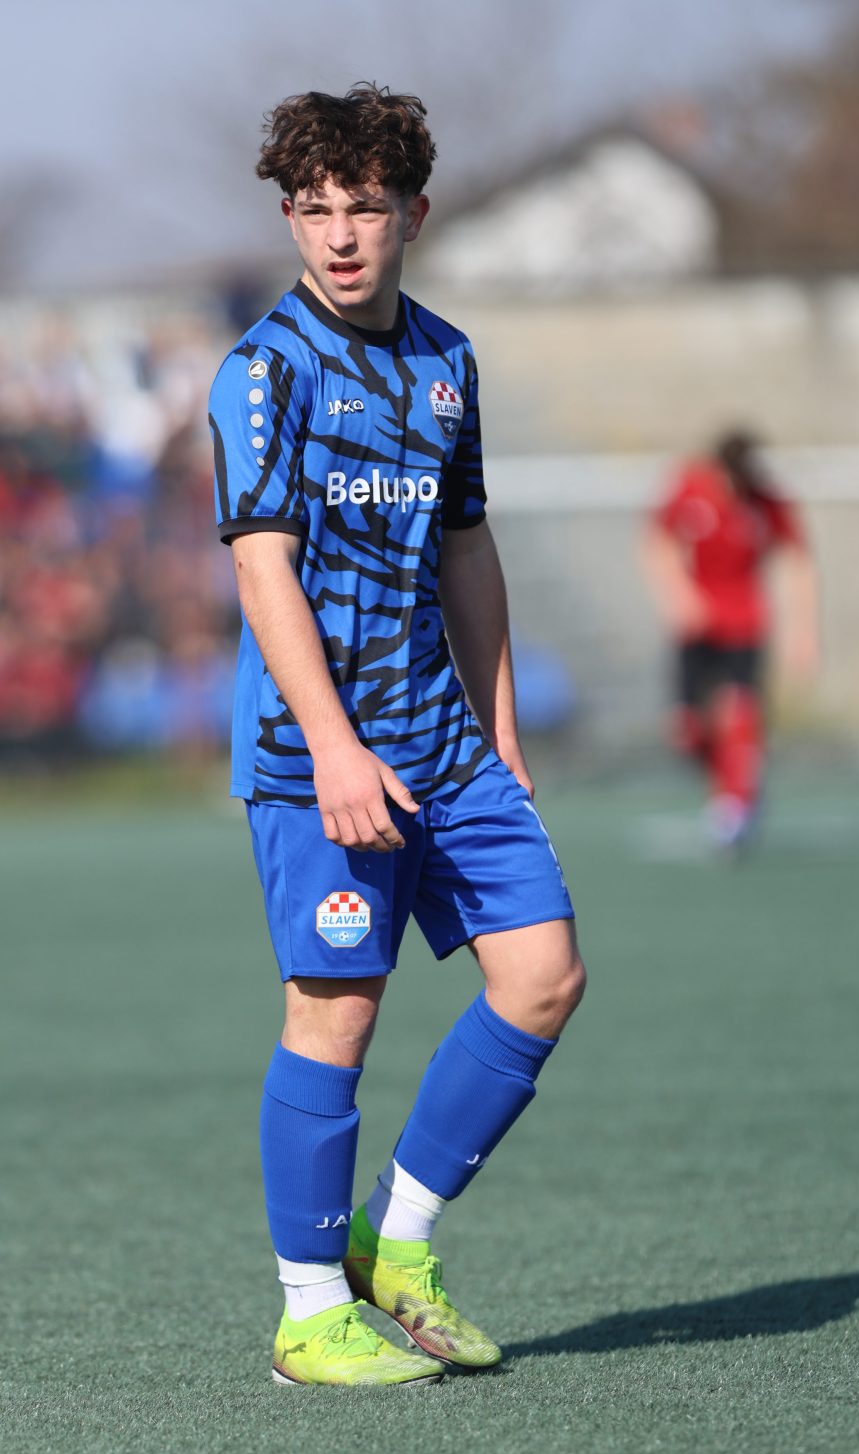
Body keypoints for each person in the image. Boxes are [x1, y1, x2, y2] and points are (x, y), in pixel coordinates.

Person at [208, 85, 586, 1388]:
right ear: (290, 220)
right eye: (314, 210)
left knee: (543, 975)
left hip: (445, 742)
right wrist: (333, 748)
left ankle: (397, 1238)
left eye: (364, 207)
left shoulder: (447, 363)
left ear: (415, 212)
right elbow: (262, 568)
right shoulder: (265, 371)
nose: (339, 235)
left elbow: (466, 547)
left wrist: (501, 731)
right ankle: (309, 1313)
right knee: (337, 1016)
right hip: (318, 752)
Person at [642, 430, 819, 850]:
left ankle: (736, 802)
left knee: (740, 715)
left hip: (745, 626)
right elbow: (657, 541)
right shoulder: (690, 488)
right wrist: (679, 595)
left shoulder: (765, 502)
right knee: (688, 731)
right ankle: (728, 783)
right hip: (698, 628)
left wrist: (804, 631)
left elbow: (798, 560)